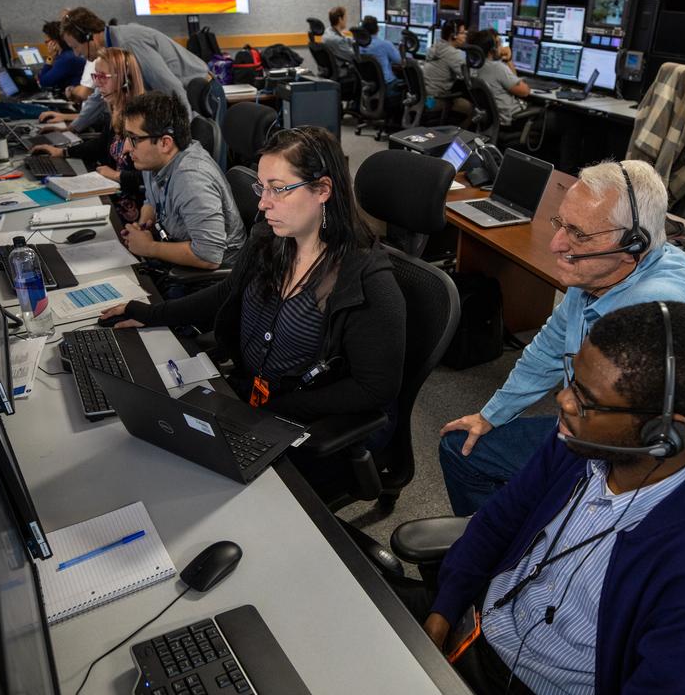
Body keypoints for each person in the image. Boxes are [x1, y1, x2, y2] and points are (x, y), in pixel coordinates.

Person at [410, 301, 685, 695]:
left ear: (664, 433)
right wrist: (442, 614)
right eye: (572, 380)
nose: (562, 402)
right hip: (470, 633)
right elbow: (494, 524)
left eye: (586, 401)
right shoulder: (578, 445)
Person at [439, 160, 685, 517]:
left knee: (470, 460)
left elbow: (638, 448)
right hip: (590, 427)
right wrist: (491, 415)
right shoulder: (599, 274)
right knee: (462, 446)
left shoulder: (653, 316)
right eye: (562, 224)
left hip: (626, 460)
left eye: (579, 234)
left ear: (633, 243)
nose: (557, 244)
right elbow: (549, 346)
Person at [97, 126, 405, 432]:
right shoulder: (269, 238)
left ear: (323, 190)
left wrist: (268, 413)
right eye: (261, 188)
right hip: (245, 398)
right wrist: (150, 314)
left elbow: (375, 388)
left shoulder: (366, 281)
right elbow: (227, 292)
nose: (262, 203)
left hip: (300, 426)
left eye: (278, 189)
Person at [116, 91, 245, 272]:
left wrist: (149, 248)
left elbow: (209, 256)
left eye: (134, 139)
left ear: (165, 143)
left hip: (208, 280)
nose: (126, 148)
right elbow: (150, 200)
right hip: (178, 255)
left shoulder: (191, 179)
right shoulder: (152, 161)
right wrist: (144, 223)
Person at [30, 48, 146, 224]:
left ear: (124, 80)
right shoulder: (115, 110)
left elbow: (150, 176)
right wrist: (63, 153)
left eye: (103, 77)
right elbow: (101, 144)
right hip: (114, 194)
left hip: (134, 209)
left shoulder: (141, 119)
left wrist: (115, 175)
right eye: (95, 76)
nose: (97, 84)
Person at [49, 8, 192, 135]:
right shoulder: (111, 51)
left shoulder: (128, 43)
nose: (76, 54)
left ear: (89, 37)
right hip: (182, 97)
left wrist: (185, 138)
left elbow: (172, 89)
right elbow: (99, 96)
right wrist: (73, 128)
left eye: (75, 47)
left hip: (194, 94)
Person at [468, 30, 529, 128]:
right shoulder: (497, 67)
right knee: (555, 116)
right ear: (493, 49)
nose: (502, 47)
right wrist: (508, 60)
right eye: (500, 44)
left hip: (490, 121)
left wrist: (507, 59)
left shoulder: (472, 66)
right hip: (511, 120)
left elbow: (513, 80)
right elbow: (524, 91)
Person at [423, 19, 471, 121]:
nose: (465, 35)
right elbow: (469, 77)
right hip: (434, 101)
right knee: (472, 109)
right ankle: (458, 136)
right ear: (453, 35)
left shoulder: (436, 46)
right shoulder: (452, 53)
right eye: (462, 33)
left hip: (425, 99)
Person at [359, 16, 403, 96]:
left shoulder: (358, 46)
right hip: (388, 86)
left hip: (369, 87)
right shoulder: (385, 44)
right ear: (378, 29)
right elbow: (401, 61)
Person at [37, 20, 85, 90]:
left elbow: (44, 82)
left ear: (54, 42)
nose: (46, 45)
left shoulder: (66, 59)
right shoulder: (69, 54)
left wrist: (50, 57)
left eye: (46, 42)